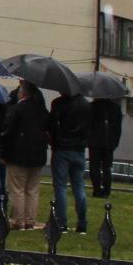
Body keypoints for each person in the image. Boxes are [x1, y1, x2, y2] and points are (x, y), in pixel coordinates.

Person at [3, 81, 51, 230]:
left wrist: (4, 153)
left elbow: (8, 132)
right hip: (38, 155)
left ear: (22, 93)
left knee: (17, 189)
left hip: (18, 155)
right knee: (32, 189)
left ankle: (18, 220)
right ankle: (30, 219)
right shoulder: (42, 111)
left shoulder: (17, 109)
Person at [49, 89, 93, 233]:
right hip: (79, 150)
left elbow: (52, 125)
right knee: (79, 187)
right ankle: (82, 223)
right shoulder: (87, 105)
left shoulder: (58, 103)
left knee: (60, 187)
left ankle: (61, 223)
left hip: (62, 148)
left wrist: (54, 141)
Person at [89, 95, 123, 198]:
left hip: (94, 142)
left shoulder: (92, 106)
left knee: (94, 167)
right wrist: (115, 142)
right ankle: (106, 190)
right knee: (107, 167)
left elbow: (88, 124)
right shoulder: (116, 108)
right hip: (109, 142)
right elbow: (118, 128)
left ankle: (96, 190)